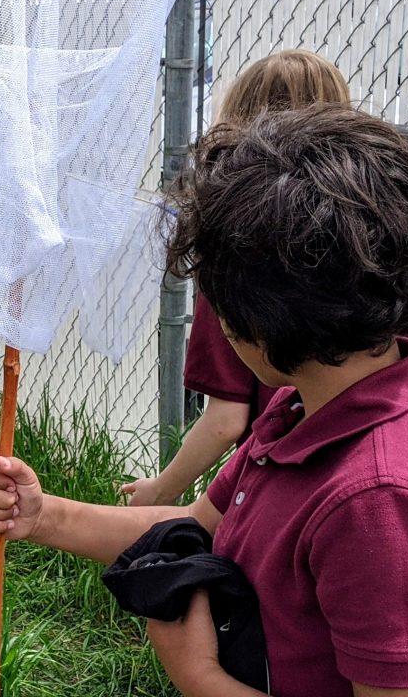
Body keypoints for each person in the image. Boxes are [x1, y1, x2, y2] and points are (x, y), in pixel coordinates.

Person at [0, 105, 408, 696]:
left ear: (272, 317)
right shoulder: (305, 405)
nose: (216, 319)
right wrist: (42, 517)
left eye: (218, 301)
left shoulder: (378, 503)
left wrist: (198, 677)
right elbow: (203, 526)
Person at [122, 49, 353, 506]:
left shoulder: (235, 254)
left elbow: (227, 419)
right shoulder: (364, 242)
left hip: (277, 478)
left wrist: (160, 493)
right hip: (349, 463)